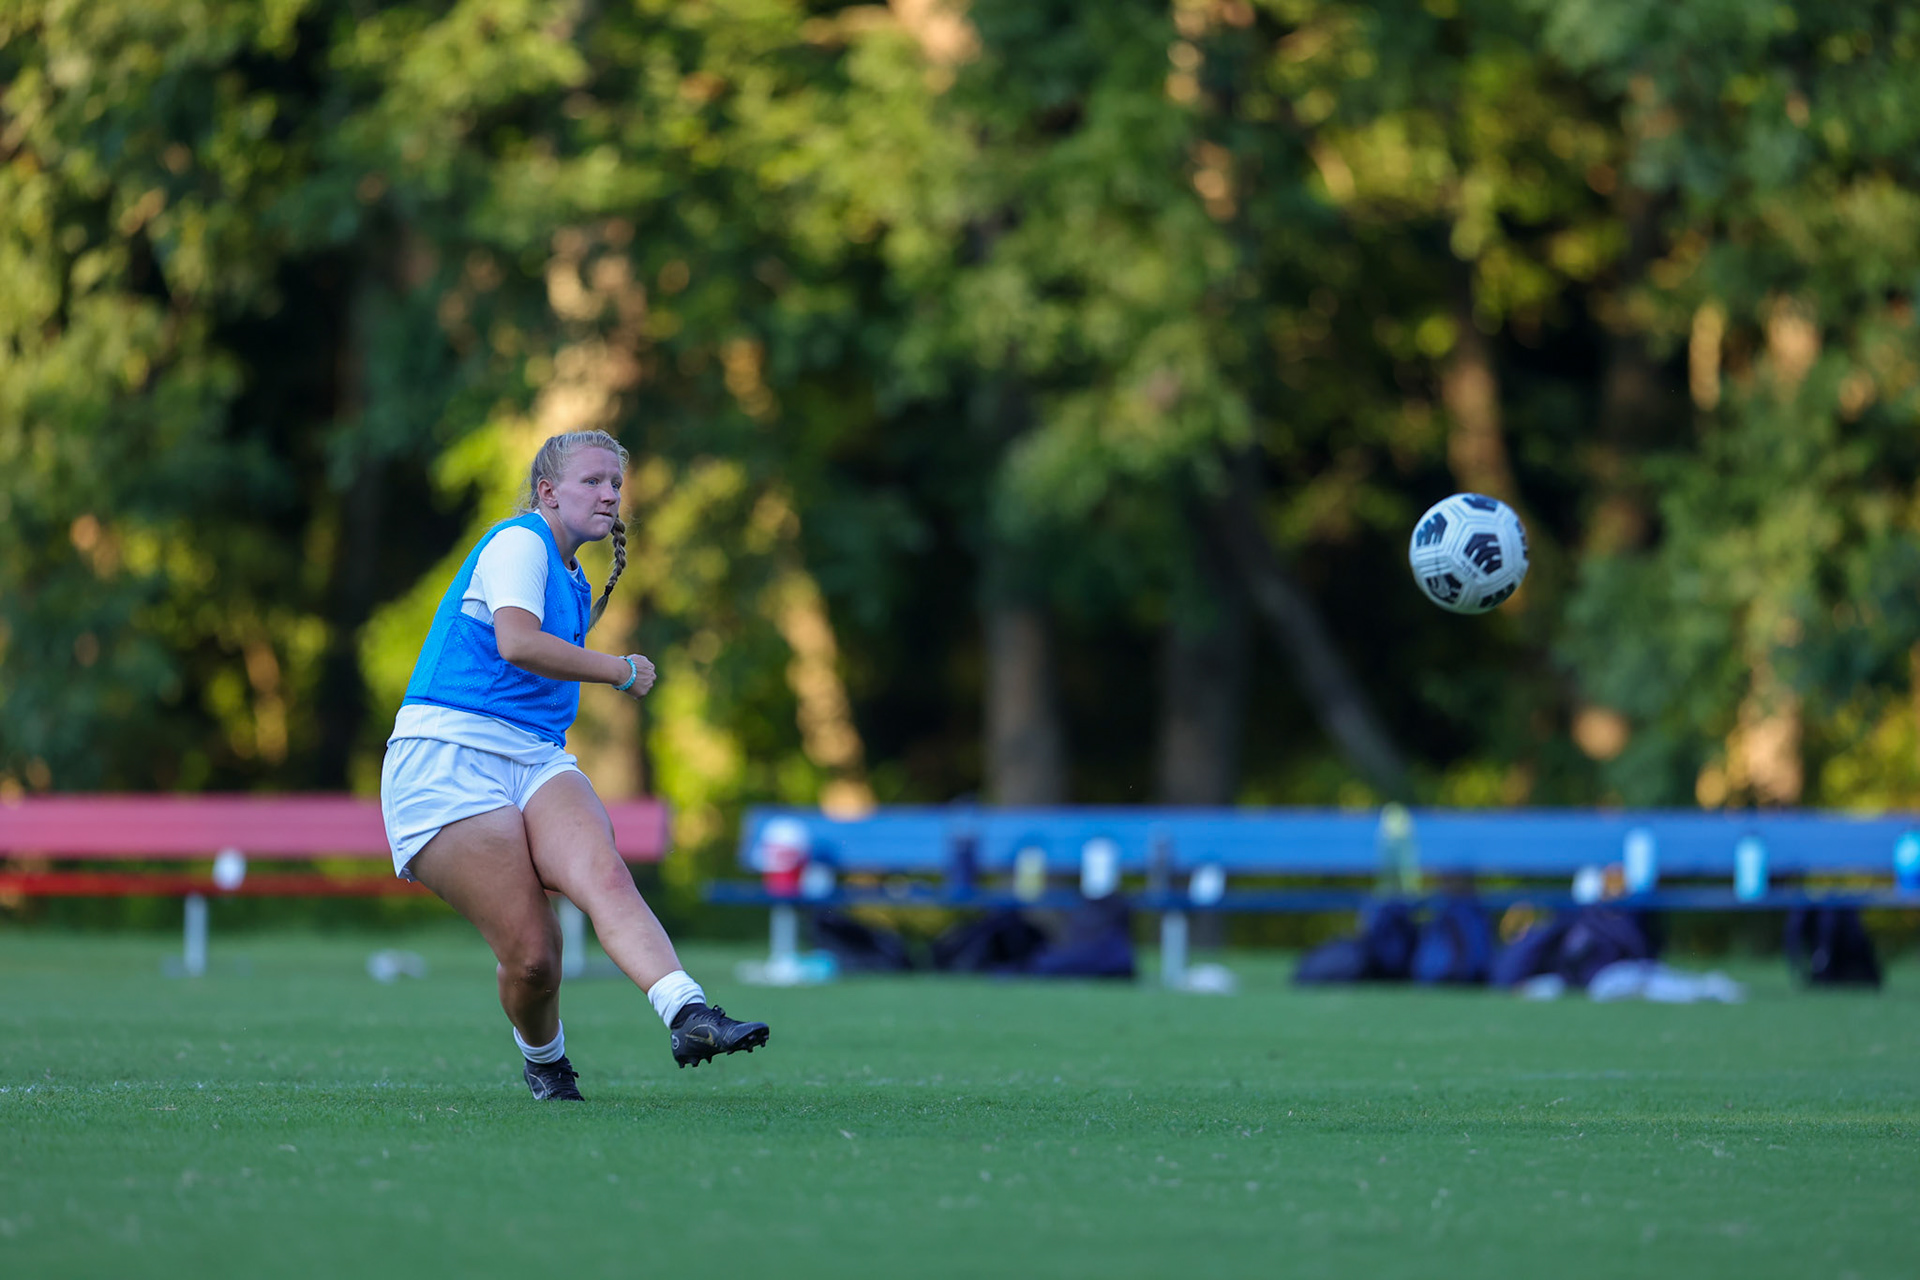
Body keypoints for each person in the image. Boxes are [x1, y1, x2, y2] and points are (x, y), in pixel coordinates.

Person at [379, 429, 768, 1101]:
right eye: (593, 481)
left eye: (615, 484)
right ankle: (546, 1061)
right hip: (446, 756)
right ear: (547, 491)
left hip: (533, 758)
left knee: (605, 876)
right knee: (534, 958)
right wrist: (621, 671)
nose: (610, 494)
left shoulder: (573, 577)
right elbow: (518, 643)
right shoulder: (518, 542)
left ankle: (688, 1013)